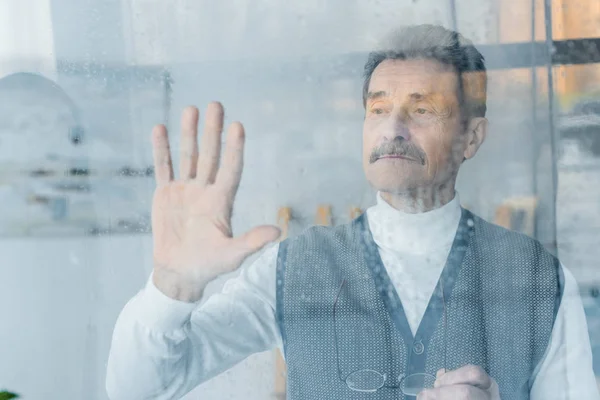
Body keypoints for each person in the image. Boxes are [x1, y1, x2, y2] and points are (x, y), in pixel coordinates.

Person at [106, 24, 599, 400]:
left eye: (422, 109)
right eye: (379, 109)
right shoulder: (293, 269)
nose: (393, 129)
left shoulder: (538, 279)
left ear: (471, 137)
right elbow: (137, 386)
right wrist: (171, 287)